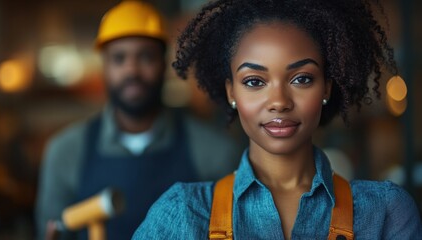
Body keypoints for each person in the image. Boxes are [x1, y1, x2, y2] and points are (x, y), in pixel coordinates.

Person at [132, 0, 422, 239]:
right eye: (255, 81)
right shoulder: (182, 213)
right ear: (231, 91)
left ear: (327, 88)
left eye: (301, 78)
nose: (279, 102)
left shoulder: (386, 213)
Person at [35, 1, 241, 239]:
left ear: (164, 64)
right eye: (119, 58)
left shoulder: (214, 151)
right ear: (104, 66)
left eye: (145, 57)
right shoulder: (65, 153)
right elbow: (50, 232)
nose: (132, 70)